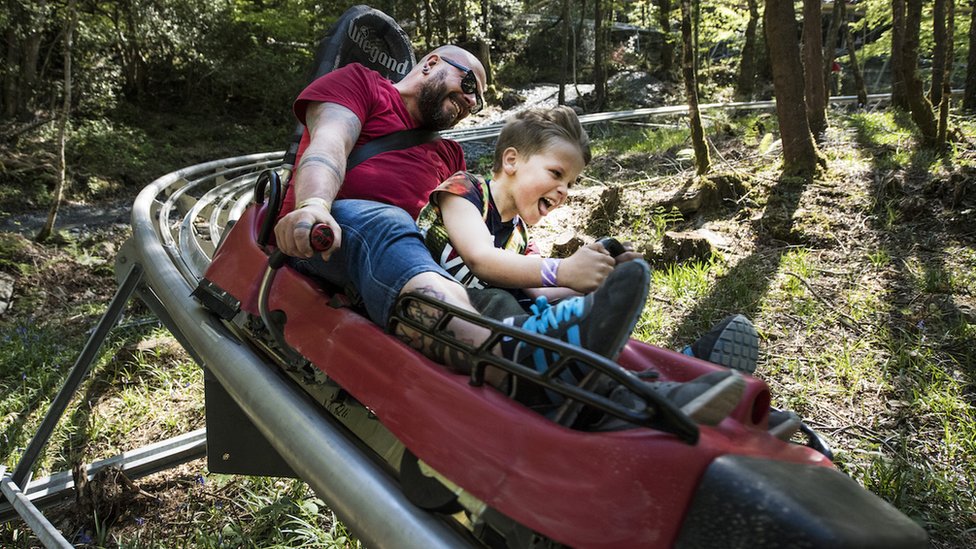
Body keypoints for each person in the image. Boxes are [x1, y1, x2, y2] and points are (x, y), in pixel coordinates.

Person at [273, 45, 744, 426]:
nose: (472, 102)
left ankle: (660, 384)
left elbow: (497, 254)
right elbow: (330, 142)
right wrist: (313, 206)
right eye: (468, 85)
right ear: (432, 63)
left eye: (478, 99)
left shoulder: (451, 156)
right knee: (389, 224)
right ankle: (509, 357)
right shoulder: (363, 85)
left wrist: (591, 280)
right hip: (333, 234)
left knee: (534, 302)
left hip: (415, 266)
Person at [413, 106, 745, 424]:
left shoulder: (521, 235)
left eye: (571, 183)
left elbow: (543, 285)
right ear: (511, 160)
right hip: (446, 318)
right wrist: (561, 268)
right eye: (556, 173)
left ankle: (674, 373)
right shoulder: (463, 190)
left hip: (511, 333)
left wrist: (601, 278)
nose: (565, 191)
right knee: (500, 301)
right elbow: (480, 258)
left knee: (575, 308)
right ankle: (644, 392)